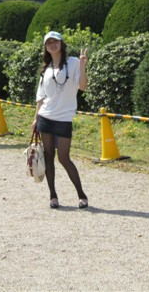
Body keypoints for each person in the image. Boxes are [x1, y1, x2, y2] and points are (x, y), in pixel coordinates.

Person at [30, 31, 89, 209]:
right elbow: (41, 97)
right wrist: (35, 119)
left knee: (64, 157)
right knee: (48, 157)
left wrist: (83, 65)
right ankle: (53, 196)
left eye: (55, 42)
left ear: (61, 43)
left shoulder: (73, 63)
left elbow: (83, 87)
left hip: (64, 119)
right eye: (49, 43)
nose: (52, 45)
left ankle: (81, 194)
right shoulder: (46, 70)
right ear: (46, 48)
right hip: (45, 118)